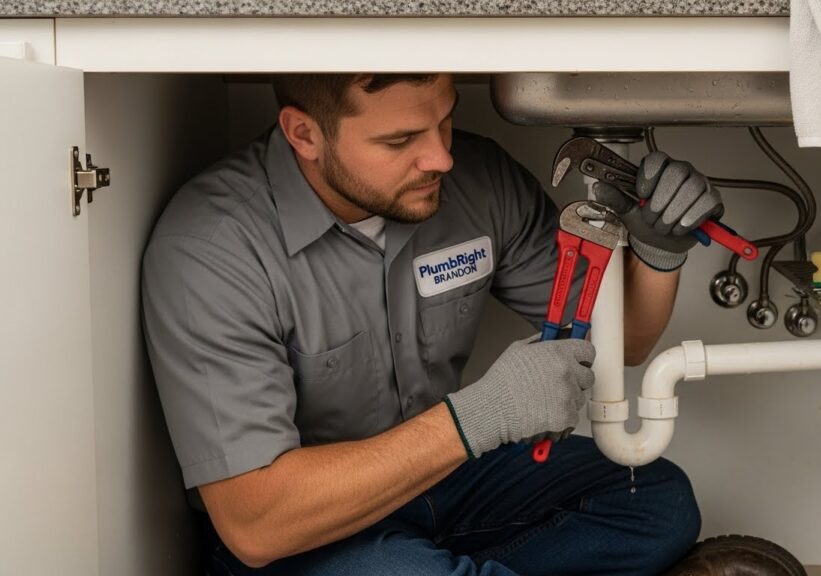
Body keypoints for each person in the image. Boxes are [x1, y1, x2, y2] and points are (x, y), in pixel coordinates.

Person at [141, 73, 723, 575]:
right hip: (303, 523)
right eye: (400, 141)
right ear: (305, 135)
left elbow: (623, 337)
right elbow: (255, 523)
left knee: (655, 500)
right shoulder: (211, 249)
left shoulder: (476, 181)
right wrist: (479, 416)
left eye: (444, 121)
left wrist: (657, 249)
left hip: (440, 481)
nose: (440, 157)